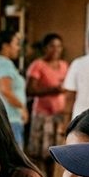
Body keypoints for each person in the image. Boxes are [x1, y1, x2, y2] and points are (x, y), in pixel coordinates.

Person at [25, 33, 69, 166]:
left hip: (59, 114)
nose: (55, 50)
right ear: (45, 48)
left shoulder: (64, 65)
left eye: (58, 46)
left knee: (55, 153)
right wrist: (52, 90)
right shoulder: (38, 65)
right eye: (52, 46)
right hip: (43, 114)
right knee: (40, 153)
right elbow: (30, 90)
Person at [0, 32, 28, 147]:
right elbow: (5, 90)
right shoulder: (5, 64)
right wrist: (22, 107)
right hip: (10, 118)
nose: (18, 48)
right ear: (5, 46)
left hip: (0, 116)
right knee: (13, 157)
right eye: (16, 44)